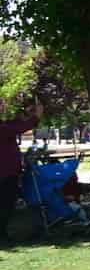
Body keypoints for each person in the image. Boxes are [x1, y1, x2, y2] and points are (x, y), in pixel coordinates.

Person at [0, 97, 42, 242]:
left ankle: (3, 233)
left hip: (8, 171)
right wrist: (35, 117)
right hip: (4, 173)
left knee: (8, 203)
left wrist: (26, 117)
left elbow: (12, 126)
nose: (3, 108)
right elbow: (15, 129)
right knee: (5, 203)